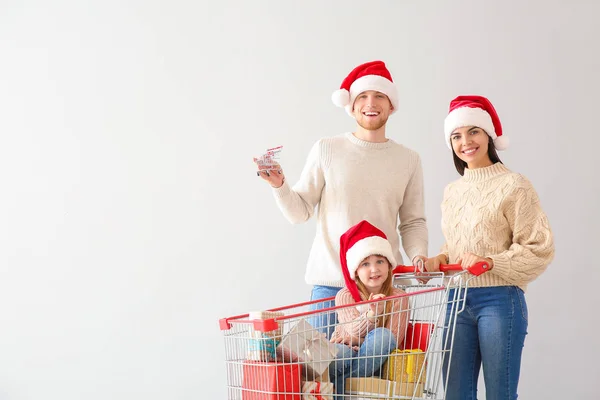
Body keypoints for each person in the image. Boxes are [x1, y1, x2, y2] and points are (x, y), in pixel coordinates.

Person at [254, 61, 428, 338]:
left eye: (379, 96)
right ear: (351, 105)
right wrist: (280, 186)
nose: (371, 103)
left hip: (379, 290)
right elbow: (300, 212)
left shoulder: (408, 159)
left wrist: (419, 255)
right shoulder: (328, 149)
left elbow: (412, 221)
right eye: (362, 96)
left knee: (374, 378)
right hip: (330, 283)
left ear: (391, 105)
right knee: (322, 376)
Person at [425, 95, 555, 400]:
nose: (465, 142)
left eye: (474, 131)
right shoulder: (452, 191)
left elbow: (539, 248)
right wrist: (440, 258)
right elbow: (458, 245)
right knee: (455, 394)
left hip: (500, 300)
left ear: (489, 136)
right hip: (456, 301)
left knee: (499, 394)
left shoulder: (514, 185)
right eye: (456, 136)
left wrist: (490, 262)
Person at [328, 220, 409, 398]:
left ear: (389, 265)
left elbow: (392, 340)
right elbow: (351, 328)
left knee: (383, 336)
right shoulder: (345, 295)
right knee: (341, 355)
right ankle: (346, 386)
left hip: (377, 355)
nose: (374, 269)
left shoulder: (399, 298)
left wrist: (356, 340)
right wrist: (372, 314)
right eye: (365, 264)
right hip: (345, 350)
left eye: (380, 261)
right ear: (355, 270)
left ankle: (339, 388)